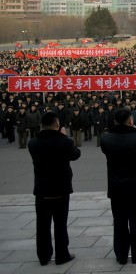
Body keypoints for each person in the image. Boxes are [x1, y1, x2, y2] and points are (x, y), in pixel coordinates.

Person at [100, 107, 136, 264]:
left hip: (117, 187)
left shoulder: (106, 138)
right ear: (131, 121)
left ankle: (121, 255)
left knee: (119, 222)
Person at [28, 111, 80, 266]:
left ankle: (43, 256)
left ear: (41, 125)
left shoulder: (33, 143)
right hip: (60, 188)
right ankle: (62, 255)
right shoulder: (65, 142)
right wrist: (64, 136)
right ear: (57, 125)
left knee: (42, 224)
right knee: (60, 223)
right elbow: (76, 154)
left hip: (42, 189)